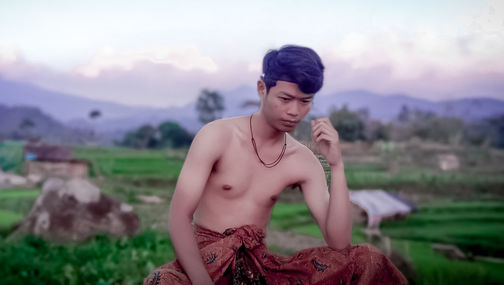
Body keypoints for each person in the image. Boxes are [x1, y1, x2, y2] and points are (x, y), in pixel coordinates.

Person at [144, 45, 407, 284]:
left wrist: (336, 165)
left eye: (305, 101)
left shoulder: (302, 160)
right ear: (262, 89)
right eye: (285, 98)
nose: (294, 111)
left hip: (258, 267)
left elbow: (339, 243)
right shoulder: (217, 136)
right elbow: (179, 216)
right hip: (204, 260)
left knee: (366, 259)